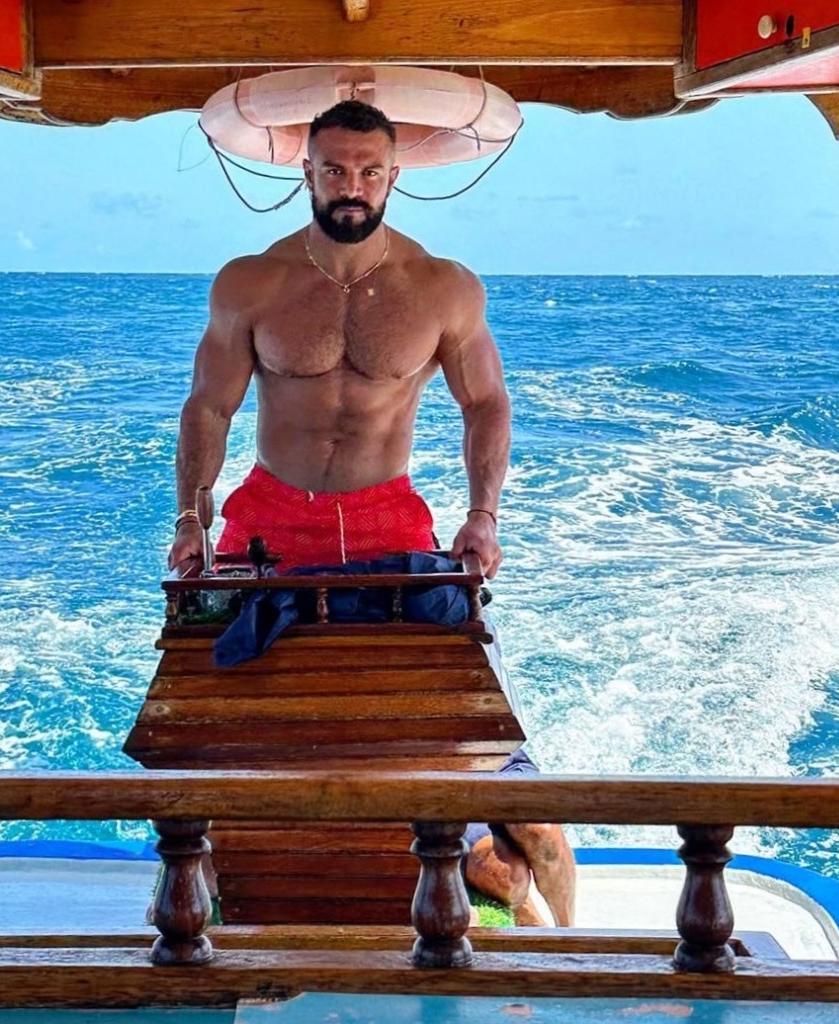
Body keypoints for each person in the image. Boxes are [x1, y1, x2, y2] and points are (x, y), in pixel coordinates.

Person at [167, 98, 574, 927]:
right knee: (212, 714)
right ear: (306, 173)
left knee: (525, 809)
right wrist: (190, 519)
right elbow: (209, 406)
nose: (351, 186)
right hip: (270, 522)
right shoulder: (251, 283)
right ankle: (214, 864)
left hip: (393, 525)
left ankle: (544, 904)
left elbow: (486, 403)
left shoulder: (444, 287)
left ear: (394, 176)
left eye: (369, 171)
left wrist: (484, 515)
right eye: (334, 169)